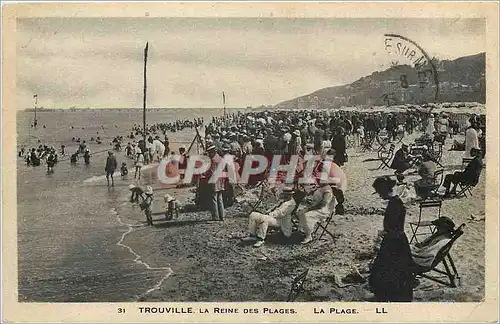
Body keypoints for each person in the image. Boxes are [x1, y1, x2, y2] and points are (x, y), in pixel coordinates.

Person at [369, 176, 414, 302]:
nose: (379, 195)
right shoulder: (395, 202)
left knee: (388, 269)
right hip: (396, 239)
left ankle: (388, 295)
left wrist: (385, 235)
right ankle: (390, 294)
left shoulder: (395, 204)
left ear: (384, 190)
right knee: (392, 269)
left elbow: (393, 226)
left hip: (395, 241)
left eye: (379, 192)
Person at [204, 145, 225, 221]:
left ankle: (215, 216)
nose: (209, 154)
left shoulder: (213, 160)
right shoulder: (220, 158)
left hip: (215, 180)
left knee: (214, 198)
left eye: (210, 153)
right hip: (221, 180)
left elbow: (211, 172)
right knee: (220, 198)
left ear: (212, 152)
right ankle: (222, 216)